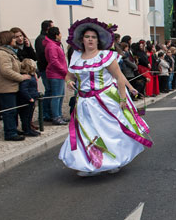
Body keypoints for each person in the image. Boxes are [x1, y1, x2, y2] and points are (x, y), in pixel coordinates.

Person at [59, 17, 152, 176]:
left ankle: (113, 160)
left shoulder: (106, 56)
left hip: (104, 100)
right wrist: (69, 82)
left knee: (108, 131)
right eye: (87, 37)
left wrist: (123, 98)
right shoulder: (75, 56)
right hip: (83, 102)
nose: (90, 40)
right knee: (87, 132)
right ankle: (89, 163)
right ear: (82, 39)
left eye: (93, 37)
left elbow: (119, 77)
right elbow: (69, 76)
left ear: (98, 40)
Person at [0, 31, 31, 140]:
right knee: (9, 111)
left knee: (13, 110)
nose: (16, 40)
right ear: (7, 39)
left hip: (12, 86)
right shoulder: (1, 54)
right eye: (13, 38)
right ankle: (10, 133)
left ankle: (13, 128)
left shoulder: (9, 52)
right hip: (6, 87)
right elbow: (6, 71)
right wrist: (21, 77)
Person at [43, 26, 68, 125]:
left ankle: (59, 114)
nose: (61, 35)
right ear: (56, 35)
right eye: (60, 33)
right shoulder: (52, 46)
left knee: (60, 96)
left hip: (59, 74)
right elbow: (54, 61)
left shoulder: (54, 45)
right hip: (55, 74)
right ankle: (56, 116)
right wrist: (64, 71)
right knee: (56, 96)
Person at [35, 20, 54, 122]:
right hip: (45, 69)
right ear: (47, 28)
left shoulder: (46, 39)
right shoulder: (41, 39)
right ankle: (45, 113)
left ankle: (49, 112)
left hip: (47, 69)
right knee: (49, 91)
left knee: (51, 91)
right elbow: (43, 56)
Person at [17, 59, 41, 137]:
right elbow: (23, 89)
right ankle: (26, 130)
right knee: (26, 116)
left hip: (32, 97)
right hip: (27, 99)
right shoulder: (27, 78)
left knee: (29, 115)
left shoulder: (31, 75)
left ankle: (29, 128)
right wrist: (29, 98)